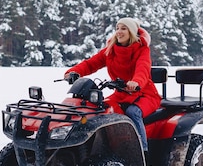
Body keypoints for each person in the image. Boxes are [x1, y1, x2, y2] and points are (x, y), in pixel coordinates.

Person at [64, 17, 162, 153]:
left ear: (132, 32)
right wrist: (73, 72)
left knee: (132, 112)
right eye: (117, 28)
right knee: (101, 109)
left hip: (144, 93)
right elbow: (91, 63)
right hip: (121, 93)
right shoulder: (111, 49)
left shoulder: (141, 49)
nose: (119, 32)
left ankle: (141, 150)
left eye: (123, 28)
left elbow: (143, 68)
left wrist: (136, 82)